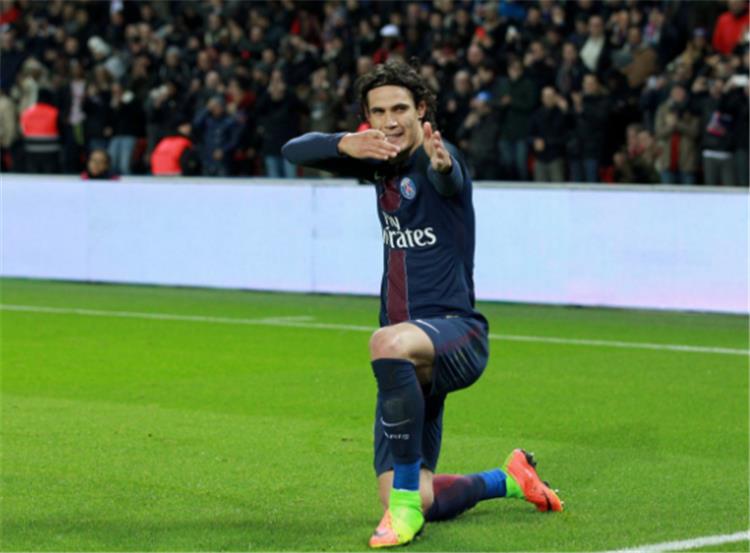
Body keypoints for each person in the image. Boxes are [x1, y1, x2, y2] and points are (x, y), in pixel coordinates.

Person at [281, 60, 562, 549]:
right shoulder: (376, 160)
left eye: (400, 109)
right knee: (419, 494)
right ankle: (509, 478)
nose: (390, 121)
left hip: (457, 333)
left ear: (421, 110)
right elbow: (292, 150)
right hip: (408, 362)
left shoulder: (438, 158)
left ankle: (404, 512)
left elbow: (448, 176)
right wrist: (345, 143)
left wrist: (443, 166)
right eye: (378, 112)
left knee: (385, 343)